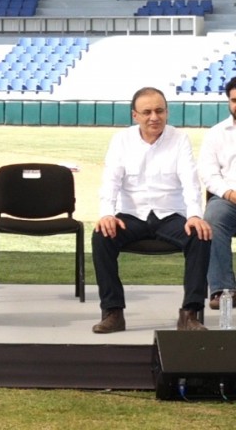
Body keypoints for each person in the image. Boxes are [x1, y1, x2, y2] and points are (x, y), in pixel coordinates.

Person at [92, 87, 211, 333]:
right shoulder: (121, 140)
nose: (154, 117)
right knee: (102, 236)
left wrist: (195, 216)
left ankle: (190, 313)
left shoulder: (180, 139)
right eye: (147, 112)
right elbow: (111, 181)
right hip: (131, 216)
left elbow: (191, 182)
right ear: (135, 116)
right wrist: (107, 213)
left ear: (167, 112)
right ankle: (113, 312)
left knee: (200, 235)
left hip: (170, 215)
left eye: (159, 111)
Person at [199, 76, 236, 311]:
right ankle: (224, 290)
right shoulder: (216, 133)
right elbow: (208, 174)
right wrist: (230, 194)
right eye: (234, 100)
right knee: (212, 219)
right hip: (229, 198)